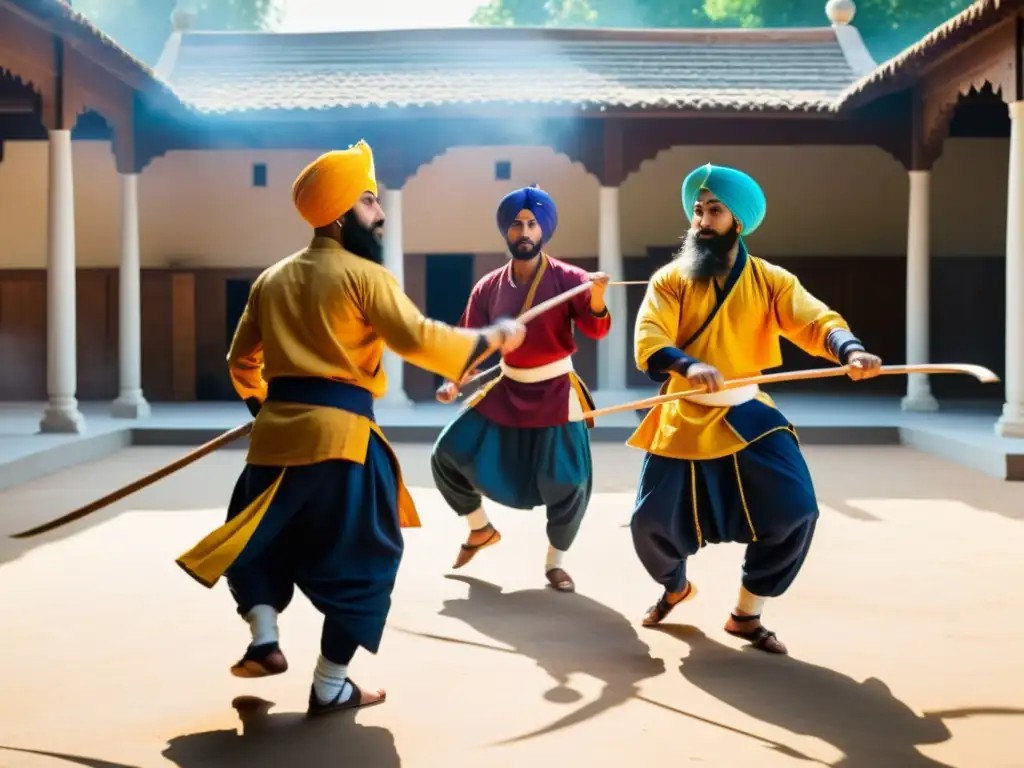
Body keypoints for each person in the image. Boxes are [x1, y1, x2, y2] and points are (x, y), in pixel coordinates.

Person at [174, 140, 526, 716]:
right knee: (366, 559)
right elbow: (418, 339)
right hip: (341, 445)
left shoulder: (270, 279)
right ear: (339, 215)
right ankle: (331, 683)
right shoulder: (365, 276)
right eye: (369, 201)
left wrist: (266, 409)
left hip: (274, 441)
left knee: (257, 539)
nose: (380, 213)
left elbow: (242, 365)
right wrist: (491, 339)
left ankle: (264, 639)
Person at [628, 163, 882, 655]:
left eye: (714, 211)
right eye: (698, 210)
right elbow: (650, 339)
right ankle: (675, 586)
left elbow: (815, 322)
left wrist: (851, 351)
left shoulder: (771, 281)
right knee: (649, 526)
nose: (701, 220)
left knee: (796, 511)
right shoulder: (669, 279)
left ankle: (747, 614)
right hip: (683, 413)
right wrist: (687, 364)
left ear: (737, 222)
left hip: (747, 414)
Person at [430, 185, 611, 593]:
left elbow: (596, 329)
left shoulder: (571, 279)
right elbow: (470, 340)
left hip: (556, 392)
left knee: (571, 482)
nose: (524, 231)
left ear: (543, 230)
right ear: (506, 232)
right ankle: (479, 529)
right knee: (446, 453)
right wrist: (453, 381)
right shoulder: (489, 286)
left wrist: (596, 298)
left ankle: (554, 562)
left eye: (532, 224)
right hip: (508, 387)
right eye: (516, 225)